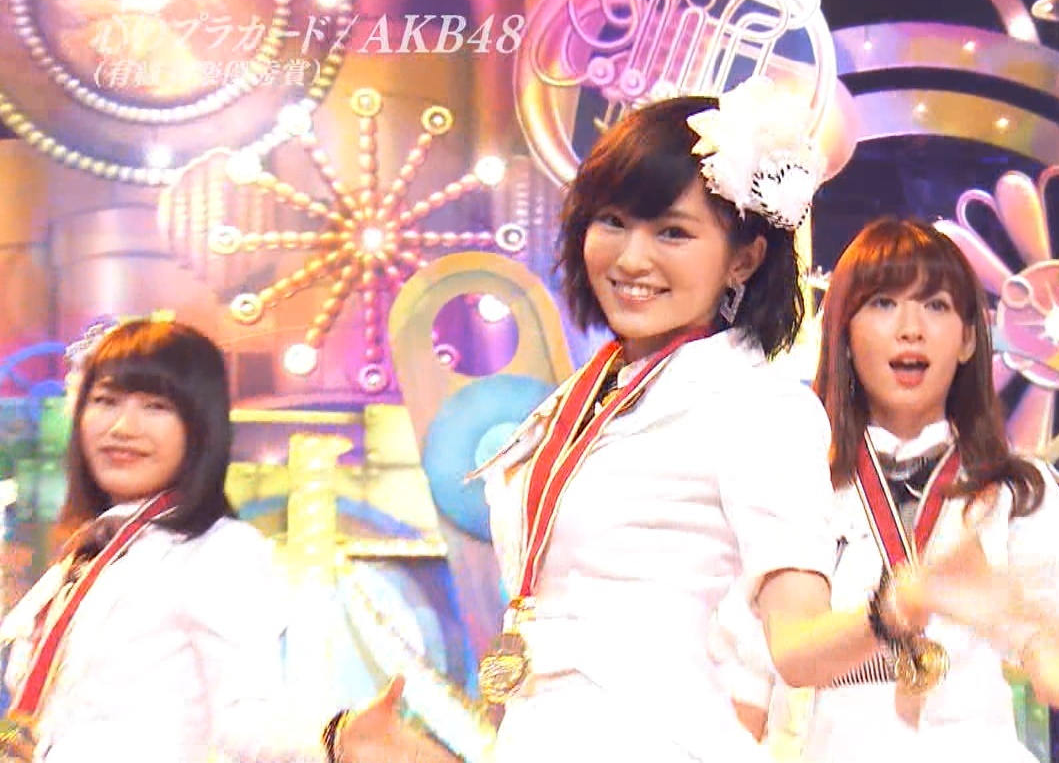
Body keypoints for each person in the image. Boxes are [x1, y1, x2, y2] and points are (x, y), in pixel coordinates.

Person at [472, 79, 981, 763]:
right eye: (612, 221)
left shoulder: (758, 407)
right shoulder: (582, 396)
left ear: (744, 257)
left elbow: (797, 647)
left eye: (672, 232)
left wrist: (892, 611)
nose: (631, 258)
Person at [712, 217, 1059, 763]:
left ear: (967, 338)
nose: (911, 327)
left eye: (936, 305)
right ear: (844, 332)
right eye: (883, 304)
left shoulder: (1016, 492)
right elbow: (755, 682)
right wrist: (900, 604)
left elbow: (1055, 665)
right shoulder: (799, 482)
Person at [0, 318, 456, 762]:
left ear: (199, 427)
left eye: (155, 406)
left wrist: (337, 739)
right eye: (106, 401)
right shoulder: (89, 553)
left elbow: (246, 718)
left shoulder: (219, 550)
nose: (123, 427)